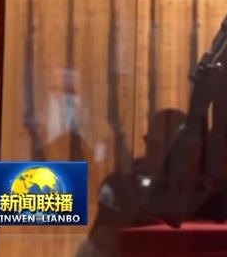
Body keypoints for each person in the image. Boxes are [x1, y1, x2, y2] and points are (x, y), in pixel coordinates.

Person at [77, 108, 187, 257]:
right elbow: (98, 242)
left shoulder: (198, 188)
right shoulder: (119, 185)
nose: (155, 153)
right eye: (154, 145)